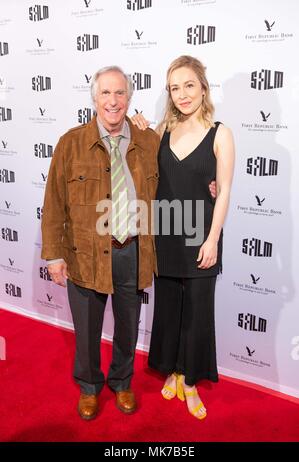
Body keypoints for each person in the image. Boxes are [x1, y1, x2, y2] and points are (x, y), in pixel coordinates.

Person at [41, 66, 160, 420]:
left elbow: (176, 181)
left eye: (120, 93)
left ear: (130, 98)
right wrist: (53, 256)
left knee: (128, 326)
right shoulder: (70, 143)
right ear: (94, 98)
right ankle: (89, 387)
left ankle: (121, 383)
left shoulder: (148, 141)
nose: (113, 101)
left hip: (133, 252)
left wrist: (209, 188)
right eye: (106, 93)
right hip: (85, 255)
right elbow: (53, 204)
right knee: (88, 330)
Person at [132, 55, 235, 420]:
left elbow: (222, 192)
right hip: (166, 236)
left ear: (203, 87)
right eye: (175, 88)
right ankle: (174, 370)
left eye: (189, 85)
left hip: (201, 236)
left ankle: (190, 381)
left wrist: (213, 239)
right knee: (170, 309)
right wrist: (137, 128)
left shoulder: (220, 133)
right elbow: (139, 168)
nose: (182, 94)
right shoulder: (162, 131)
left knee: (197, 312)